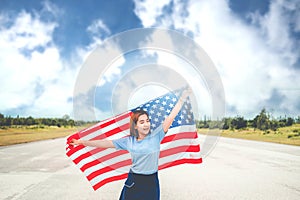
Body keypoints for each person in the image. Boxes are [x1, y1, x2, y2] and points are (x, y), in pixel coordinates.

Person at [70, 88, 191, 200]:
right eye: (142, 122)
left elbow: (171, 116)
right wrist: (82, 142)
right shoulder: (129, 141)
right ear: (136, 126)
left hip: (152, 181)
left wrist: (182, 99)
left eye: (147, 121)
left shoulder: (157, 136)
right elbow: (105, 143)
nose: (146, 124)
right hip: (134, 181)